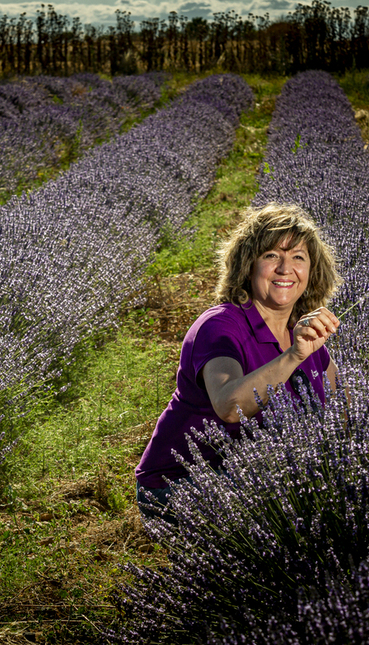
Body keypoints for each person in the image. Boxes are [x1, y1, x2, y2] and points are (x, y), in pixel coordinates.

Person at [135, 203, 343, 521]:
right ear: (248, 265)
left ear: (312, 271)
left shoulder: (302, 330)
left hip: (255, 474)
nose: (286, 269)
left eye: (298, 257)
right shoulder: (220, 326)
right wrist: (293, 356)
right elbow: (229, 407)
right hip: (182, 484)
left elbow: (342, 412)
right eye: (272, 255)